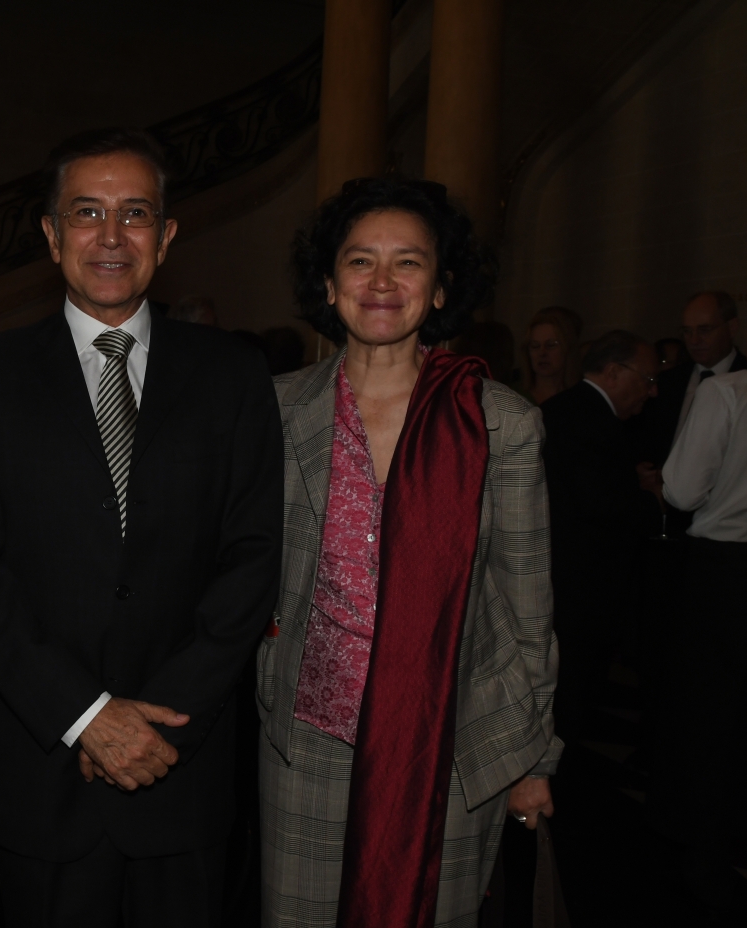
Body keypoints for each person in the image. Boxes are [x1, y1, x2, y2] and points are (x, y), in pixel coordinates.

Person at [0, 127, 282, 927]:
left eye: (135, 214)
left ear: (167, 235)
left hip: (179, 770)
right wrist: (87, 716)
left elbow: (255, 556)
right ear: (52, 236)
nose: (112, 236)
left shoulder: (233, 375)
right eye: (88, 212)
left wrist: (161, 720)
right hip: (42, 776)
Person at [259, 177, 560, 927]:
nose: (383, 283)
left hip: (453, 752)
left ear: (440, 287)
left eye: (409, 263)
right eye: (361, 262)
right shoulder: (272, 410)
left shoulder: (500, 422)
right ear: (329, 285)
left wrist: (529, 757)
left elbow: (528, 608)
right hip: (308, 742)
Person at [647, 284, 747, 921]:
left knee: (703, 708)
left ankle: (696, 843)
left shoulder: (733, 393)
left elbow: (681, 490)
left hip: (721, 567)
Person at [540, 331, 658, 741]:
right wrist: (653, 501)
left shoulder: (569, 409)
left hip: (567, 587)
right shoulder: (588, 417)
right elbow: (598, 502)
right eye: (646, 379)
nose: (651, 391)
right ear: (614, 372)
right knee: (568, 702)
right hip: (580, 592)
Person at [637, 290, 747, 467]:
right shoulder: (667, 382)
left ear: (732, 327)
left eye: (705, 330)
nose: (694, 340)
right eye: (687, 331)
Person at [521, 307, 581, 405]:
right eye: (535, 346)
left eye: (551, 345)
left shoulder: (582, 397)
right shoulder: (510, 394)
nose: (542, 353)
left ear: (567, 348)